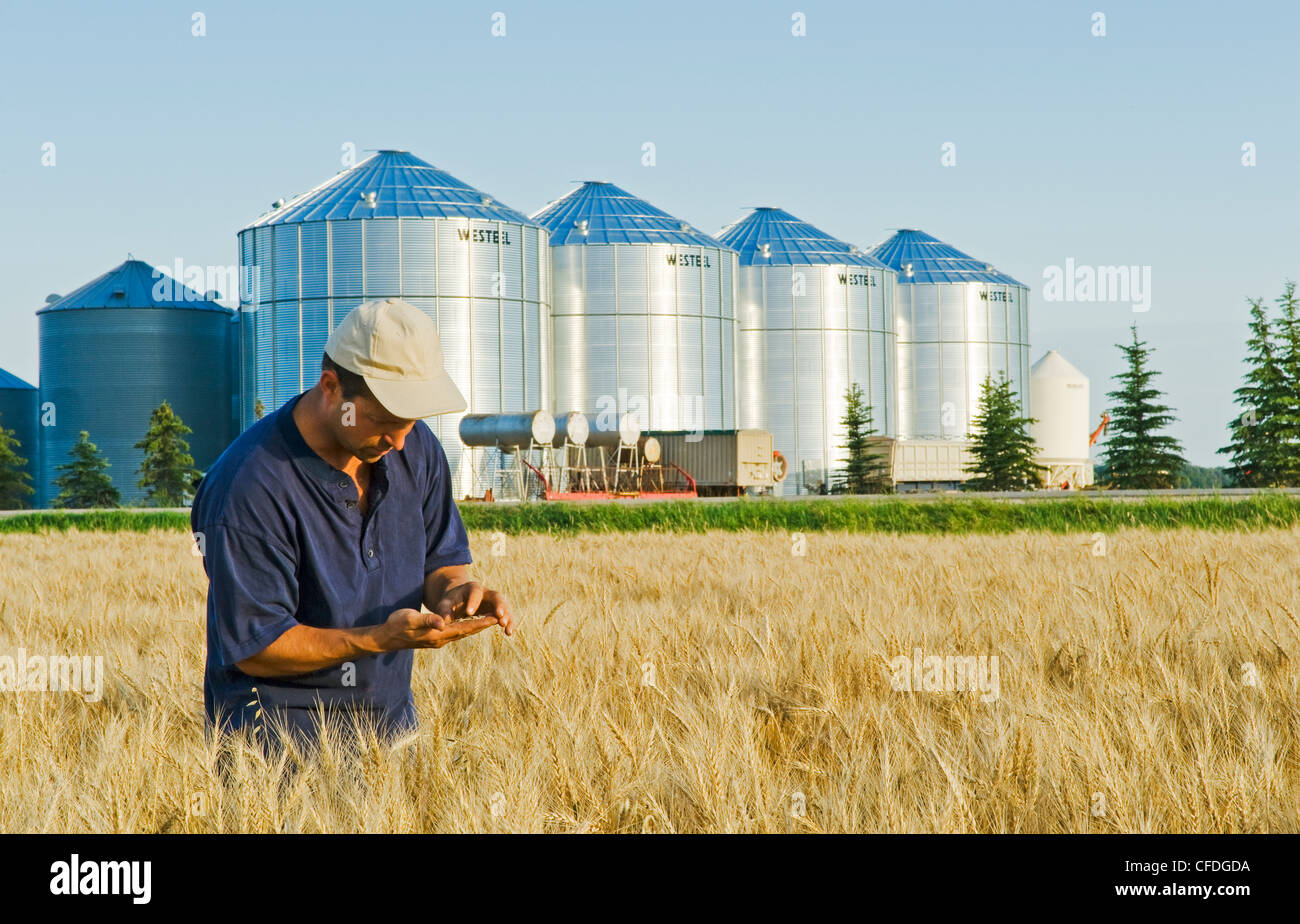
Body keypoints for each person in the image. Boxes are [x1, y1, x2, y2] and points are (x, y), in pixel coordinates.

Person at [192, 298, 514, 754]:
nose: (400, 440)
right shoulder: (250, 486)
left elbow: (442, 562)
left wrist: (455, 593)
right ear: (331, 388)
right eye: (384, 420)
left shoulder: (414, 447)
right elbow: (255, 646)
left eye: (411, 422)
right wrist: (379, 639)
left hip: (392, 730)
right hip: (276, 746)